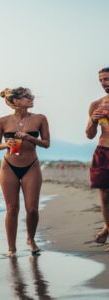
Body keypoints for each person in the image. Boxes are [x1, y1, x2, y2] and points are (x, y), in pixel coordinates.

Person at [0, 87, 50, 257]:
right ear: (16, 101)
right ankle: (11, 248)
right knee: (12, 208)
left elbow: (46, 143)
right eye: (27, 97)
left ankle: (30, 239)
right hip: (9, 166)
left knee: (32, 209)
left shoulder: (40, 119)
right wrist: (6, 144)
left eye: (31, 97)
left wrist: (29, 137)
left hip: (31, 165)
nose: (31, 99)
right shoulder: (2, 121)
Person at [86, 67, 109, 249]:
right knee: (105, 196)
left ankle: (106, 229)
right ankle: (108, 226)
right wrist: (93, 120)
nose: (104, 83)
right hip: (103, 150)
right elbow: (89, 134)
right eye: (101, 80)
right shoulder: (96, 104)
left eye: (107, 79)